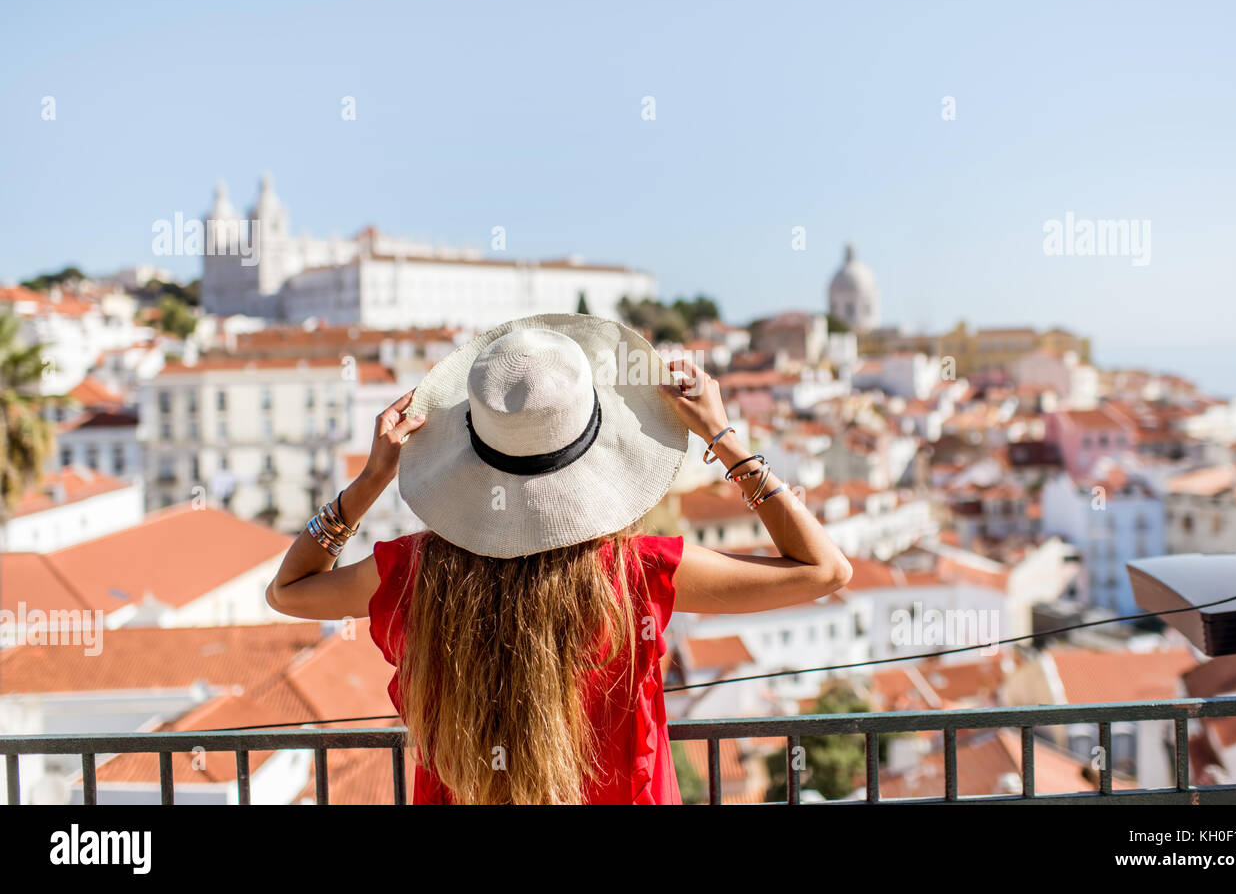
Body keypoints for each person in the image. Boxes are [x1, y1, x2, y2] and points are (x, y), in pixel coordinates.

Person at [267, 313, 851, 804]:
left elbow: (288, 591)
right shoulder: (636, 572)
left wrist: (372, 479)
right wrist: (723, 436)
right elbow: (825, 570)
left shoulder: (415, 573)